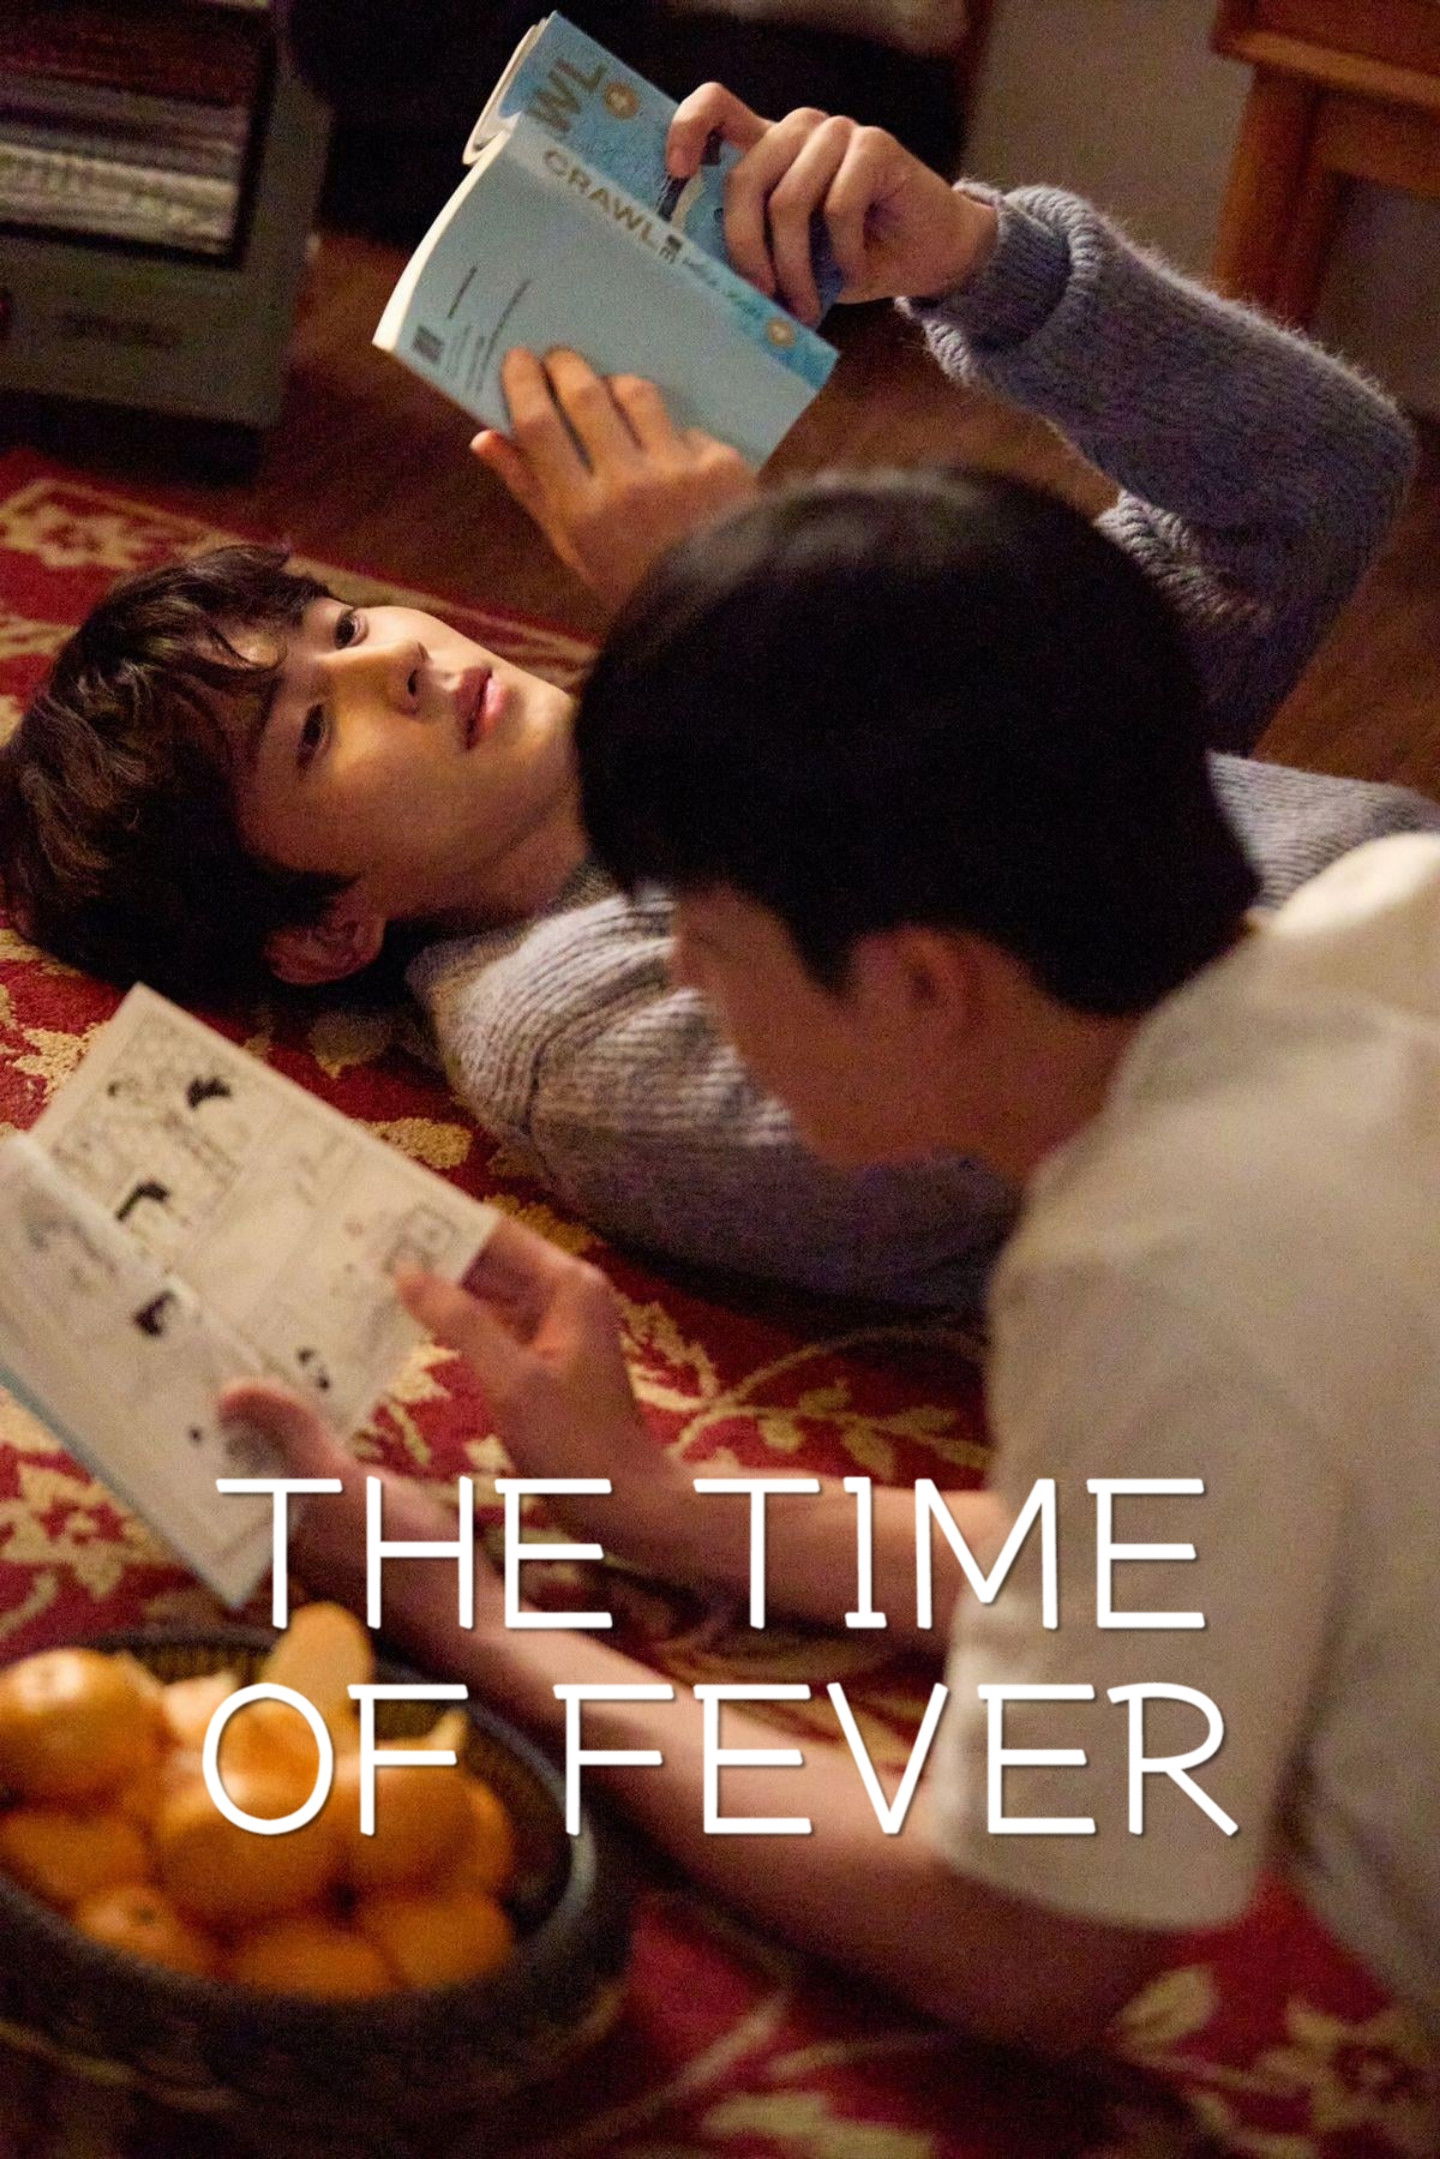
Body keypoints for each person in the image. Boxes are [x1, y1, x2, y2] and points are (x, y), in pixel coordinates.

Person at [222, 92, 1440, 2064]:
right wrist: (665, 1510)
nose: (680, 971)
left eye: (704, 935)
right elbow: (1190, 1532)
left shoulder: (1157, 1278)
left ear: (920, 979)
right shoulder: (1385, 913)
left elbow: (1021, 1949)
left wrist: (477, 1628)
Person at [3, 96, 1439, 1314]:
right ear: (330, 933)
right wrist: (745, 618)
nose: (401, 664)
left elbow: (1317, 483)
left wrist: (980, 266)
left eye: (347, 627)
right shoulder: (574, 1035)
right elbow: (1037, 1043)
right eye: (314, 731)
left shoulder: (750, 724)